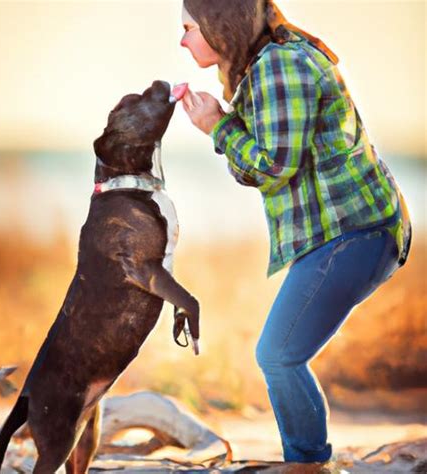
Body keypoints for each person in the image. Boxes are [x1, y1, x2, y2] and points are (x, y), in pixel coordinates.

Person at [179, 0, 412, 464]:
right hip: (347, 233)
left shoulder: (278, 65)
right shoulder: (267, 65)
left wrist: (218, 126)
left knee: (279, 354)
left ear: (217, 25)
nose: (182, 40)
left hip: (355, 232)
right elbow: (260, 166)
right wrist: (225, 125)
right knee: (281, 354)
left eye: (188, 28)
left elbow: (274, 167)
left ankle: (307, 464)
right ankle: (306, 461)